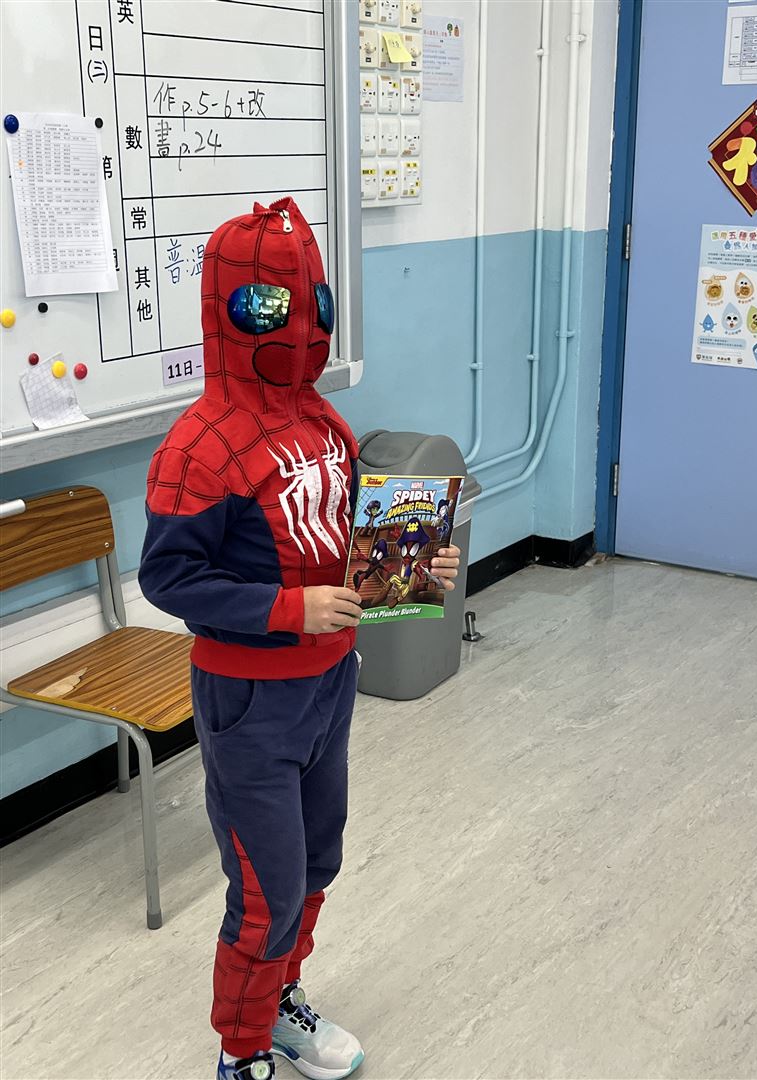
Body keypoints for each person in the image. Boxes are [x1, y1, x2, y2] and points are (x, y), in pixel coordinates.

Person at [139, 198, 461, 1080]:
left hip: (330, 685)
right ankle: (240, 1050)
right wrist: (290, 611)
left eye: (310, 302)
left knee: (318, 859)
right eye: (267, 305)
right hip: (251, 700)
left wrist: (409, 559)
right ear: (229, 310)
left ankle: (278, 1002)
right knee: (265, 889)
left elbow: (347, 535)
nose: (298, 325)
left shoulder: (324, 422)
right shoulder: (198, 447)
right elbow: (168, 578)